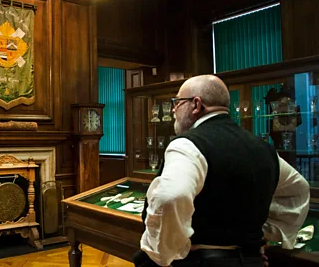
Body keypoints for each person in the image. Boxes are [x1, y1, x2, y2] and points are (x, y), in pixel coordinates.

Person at [133, 75, 310, 267]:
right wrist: (258, 235)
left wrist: (169, 250)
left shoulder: (188, 144)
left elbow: (169, 197)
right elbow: (299, 190)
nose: (174, 110)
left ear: (196, 104)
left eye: (178, 102)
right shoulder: (263, 147)